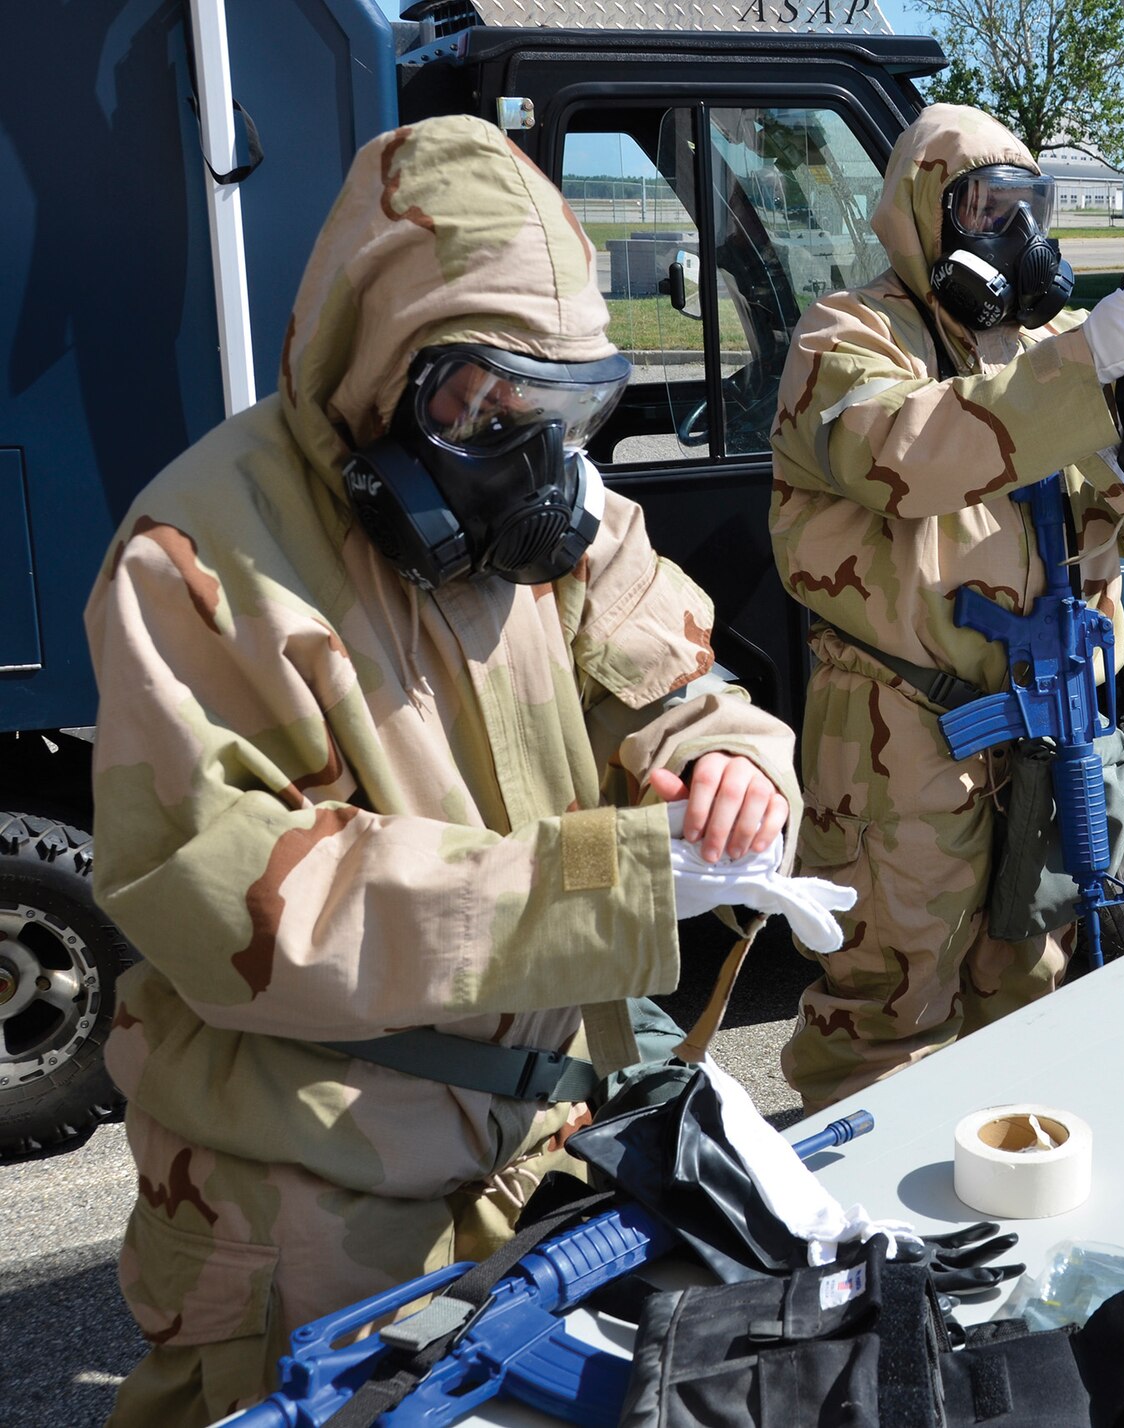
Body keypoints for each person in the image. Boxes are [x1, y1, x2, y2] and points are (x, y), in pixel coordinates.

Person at [85, 116, 805, 1427]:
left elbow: (684, 684)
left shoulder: (561, 523)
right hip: (303, 1192)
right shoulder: (198, 558)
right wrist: (613, 885)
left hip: (536, 1144)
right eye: (482, 408)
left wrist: (728, 771)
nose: (534, 463)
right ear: (383, 369)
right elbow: (232, 898)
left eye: (565, 411)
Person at [768, 105, 1124, 1111]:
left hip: (1045, 727)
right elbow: (900, 455)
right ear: (925, 215)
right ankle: (860, 1231)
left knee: (1031, 990)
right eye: (985, 207)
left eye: (1026, 209)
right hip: (905, 735)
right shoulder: (850, 334)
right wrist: (1079, 370)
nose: (1014, 234)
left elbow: (1114, 533)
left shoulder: (1042, 348)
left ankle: (1001, 1211)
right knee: (887, 1011)